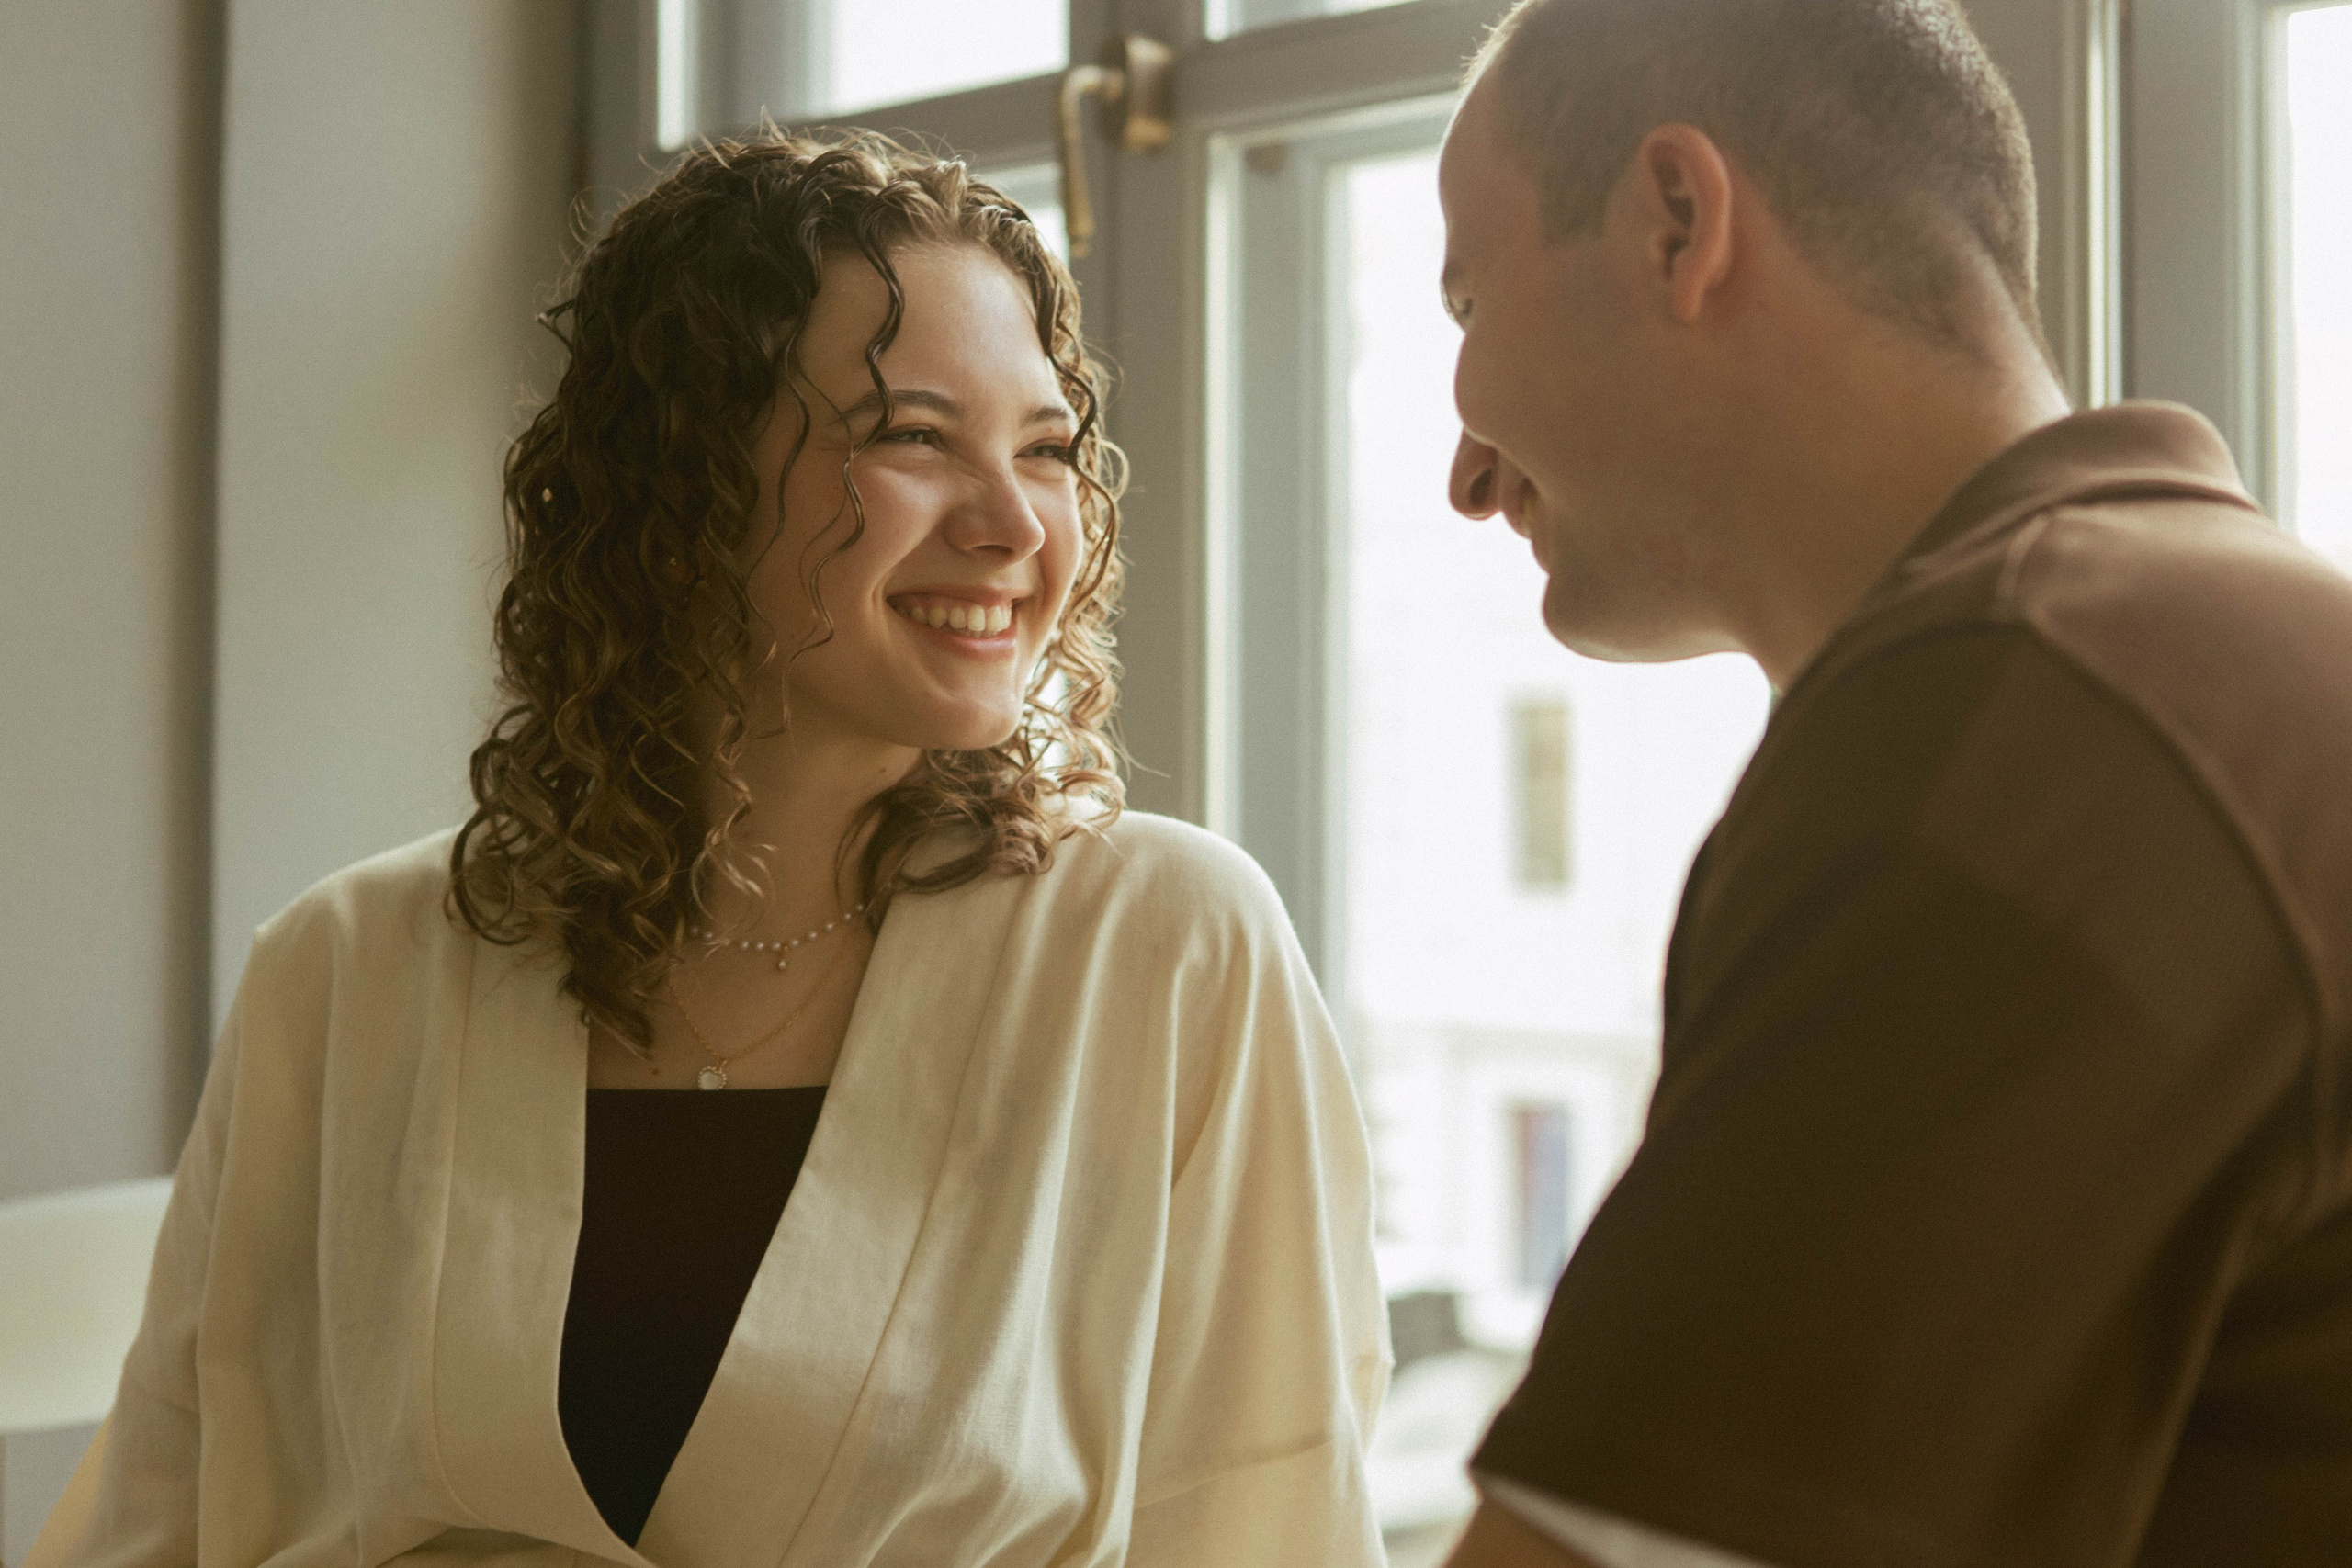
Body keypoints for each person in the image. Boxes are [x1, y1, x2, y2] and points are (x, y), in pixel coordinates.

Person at [40, 131, 1387, 1568]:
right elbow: (165, 1518)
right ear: (683, 486)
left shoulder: (1167, 948)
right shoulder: (347, 971)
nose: (1012, 525)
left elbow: (1273, 1523)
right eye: (912, 437)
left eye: (1047, 451)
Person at [1431, 2, 2352, 1566]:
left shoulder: (2022, 724)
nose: (1463, 475)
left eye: (1469, 298)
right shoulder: (2176, 650)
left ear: (1676, 220)